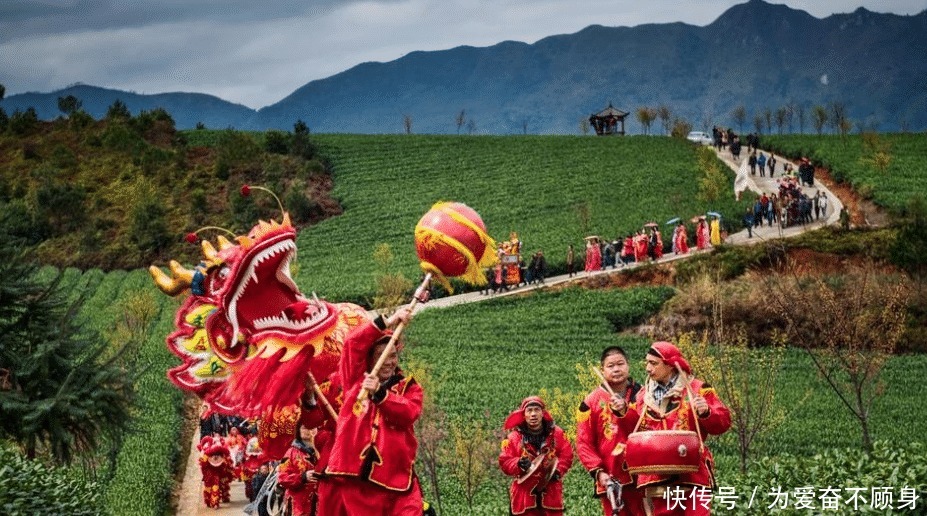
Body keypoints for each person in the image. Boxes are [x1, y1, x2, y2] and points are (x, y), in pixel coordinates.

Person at [317, 306, 424, 515]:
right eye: (382, 356)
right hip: (357, 482)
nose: (390, 362)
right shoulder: (355, 381)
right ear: (370, 359)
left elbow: (409, 413)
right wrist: (390, 320)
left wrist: (381, 396)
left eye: (393, 355)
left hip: (398, 480)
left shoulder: (408, 387)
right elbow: (352, 343)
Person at [630, 342, 731, 516]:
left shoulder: (698, 390)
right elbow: (631, 431)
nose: (647, 368)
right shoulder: (642, 397)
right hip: (657, 476)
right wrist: (622, 412)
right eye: (647, 362)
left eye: (654, 363)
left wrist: (707, 412)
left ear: (670, 365)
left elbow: (723, 423)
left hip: (693, 472)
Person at [576, 347, 644, 516]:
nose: (616, 369)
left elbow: (651, 427)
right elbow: (584, 442)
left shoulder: (643, 394)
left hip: (644, 473)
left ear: (628, 365)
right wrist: (598, 472)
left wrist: (625, 411)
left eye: (620, 364)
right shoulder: (590, 402)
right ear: (602, 370)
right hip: (611, 474)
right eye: (610, 366)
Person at [499, 396, 573, 515]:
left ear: (543, 413)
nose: (533, 414)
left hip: (551, 494)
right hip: (524, 497)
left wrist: (557, 470)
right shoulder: (513, 437)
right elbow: (505, 461)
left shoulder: (557, 434)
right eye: (529, 410)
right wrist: (518, 463)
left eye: (536, 410)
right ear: (524, 414)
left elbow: (567, 455)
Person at [278, 424, 323, 516]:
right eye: (305, 427)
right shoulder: (290, 453)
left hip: (321, 502)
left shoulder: (324, 451)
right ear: (298, 430)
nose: (309, 430)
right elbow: (282, 477)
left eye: (312, 427)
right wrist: (302, 477)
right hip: (298, 505)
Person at [198, 435, 234, 509]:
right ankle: (209, 500)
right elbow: (203, 463)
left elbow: (226, 461)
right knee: (208, 488)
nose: (215, 457)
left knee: (216, 486)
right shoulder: (205, 454)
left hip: (217, 473)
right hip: (208, 474)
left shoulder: (222, 454)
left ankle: (215, 502)